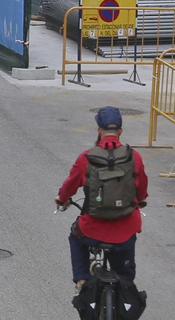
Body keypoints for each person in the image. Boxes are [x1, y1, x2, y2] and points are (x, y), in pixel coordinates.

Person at [56, 106, 148, 292]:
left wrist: (62, 199)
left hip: (92, 229)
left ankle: (81, 280)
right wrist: (140, 199)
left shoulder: (86, 158)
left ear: (99, 130)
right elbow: (142, 191)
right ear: (120, 131)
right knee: (126, 277)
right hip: (124, 231)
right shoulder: (134, 157)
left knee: (75, 236)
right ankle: (126, 289)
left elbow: (69, 186)